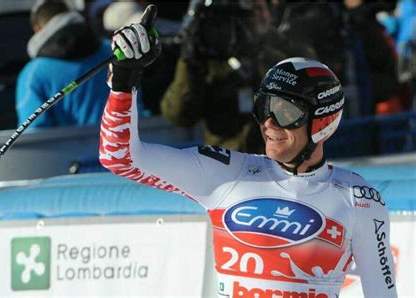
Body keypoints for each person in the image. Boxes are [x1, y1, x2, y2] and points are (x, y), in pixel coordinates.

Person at [99, 5, 398, 298]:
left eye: (284, 112)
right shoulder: (226, 173)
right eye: (263, 108)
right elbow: (120, 157)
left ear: (323, 122)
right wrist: (124, 82)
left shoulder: (358, 198)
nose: (268, 123)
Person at [161, 0, 316, 154]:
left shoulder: (288, 51)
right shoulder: (209, 61)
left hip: (280, 161)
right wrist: (189, 60)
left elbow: (311, 99)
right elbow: (179, 115)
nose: (253, 17)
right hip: (226, 163)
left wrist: (258, 51)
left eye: (257, 9)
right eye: (246, 13)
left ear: (270, 12)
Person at [15, 0, 111, 128]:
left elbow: (34, 135)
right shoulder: (114, 52)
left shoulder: (33, 74)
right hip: (128, 144)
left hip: (71, 147)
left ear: (36, 29)